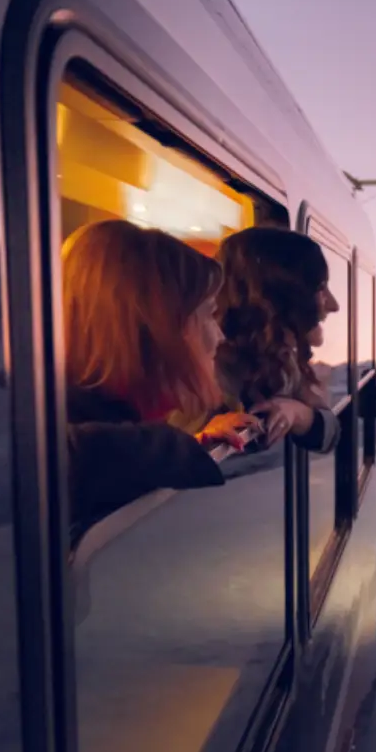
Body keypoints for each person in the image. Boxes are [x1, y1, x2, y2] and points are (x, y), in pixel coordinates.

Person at [62, 219, 259, 535]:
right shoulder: (51, 433)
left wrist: (197, 442)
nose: (220, 334)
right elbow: (60, 455)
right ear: (156, 328)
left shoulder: (103, 408)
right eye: (208, 313)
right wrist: (172, 449)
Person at [212, 226, 341, 453]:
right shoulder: (208, 368)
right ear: (282, 297)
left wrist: (297, 413)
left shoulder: (278, 359)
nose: (334, 305)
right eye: (320, 288)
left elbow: (331, 432)